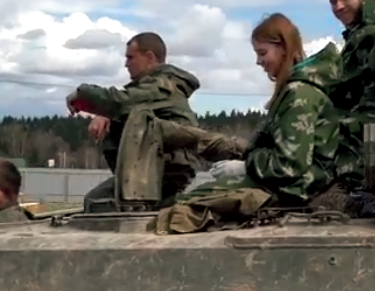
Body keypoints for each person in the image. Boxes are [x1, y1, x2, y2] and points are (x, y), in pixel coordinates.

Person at [156, 13, 341, 234]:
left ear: (284, 48)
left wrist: (246, 167)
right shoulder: (295, 90)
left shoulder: (300, 94)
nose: (258, 61)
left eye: (262, 53)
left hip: (295, 189)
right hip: (287, 185)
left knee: (186, 209)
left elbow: (289, 165)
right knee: (191, 201)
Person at [67, 32, 243, 212]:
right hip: (156, 170)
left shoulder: (162, 86)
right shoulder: (157, 86)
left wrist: (81, 95)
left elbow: (121, 102)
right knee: (103, 203)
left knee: (99, 203)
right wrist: (107, 115)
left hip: (162, 170)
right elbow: (130, 107)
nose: (126, 64)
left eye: (130, 57)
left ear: (150, 57)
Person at [320, 0, 375, 194]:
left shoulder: (373, 32)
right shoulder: (359, 32)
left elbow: (347, 87)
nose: (339, 6)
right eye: (333, 1)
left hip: (374, 119)